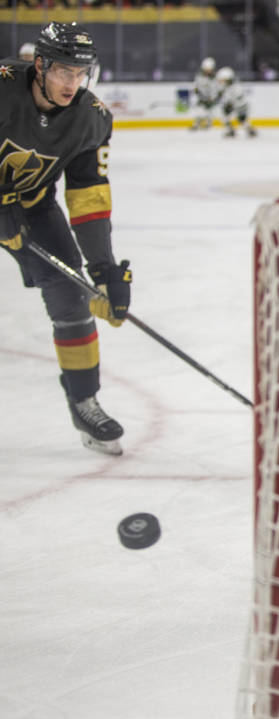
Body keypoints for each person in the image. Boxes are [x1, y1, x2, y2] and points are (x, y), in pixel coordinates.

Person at [0, 22, 130, 455]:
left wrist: (103, 269)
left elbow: (88, 196)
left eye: (80, 73)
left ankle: (84, 401)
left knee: (73, 295)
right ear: (39, 65)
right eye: (63, 72)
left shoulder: (91, 118)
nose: (73, 83)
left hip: (31, 206)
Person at [215, 66, 257, 138]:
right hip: (235, 105)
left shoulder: (235, 87)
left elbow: (237, 98)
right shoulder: (227, 86)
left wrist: (230, 104)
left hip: (240, 106)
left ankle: (250, 130)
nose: (221, 82)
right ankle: (231, 130)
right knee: (225, 117)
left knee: (241, 120)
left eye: (223, 80)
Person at [190, 56, 219, 131]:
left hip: (210, 99)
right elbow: (195, 86)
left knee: (209, 111)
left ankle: (208, 123)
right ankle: (196, 123)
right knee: (199, 111)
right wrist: (196, 91)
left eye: (209, 69)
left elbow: (216, 89)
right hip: (201, 98)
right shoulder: (199, 77)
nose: (207, 71)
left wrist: (212, 98)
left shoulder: (215, 78)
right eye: (206, 69)